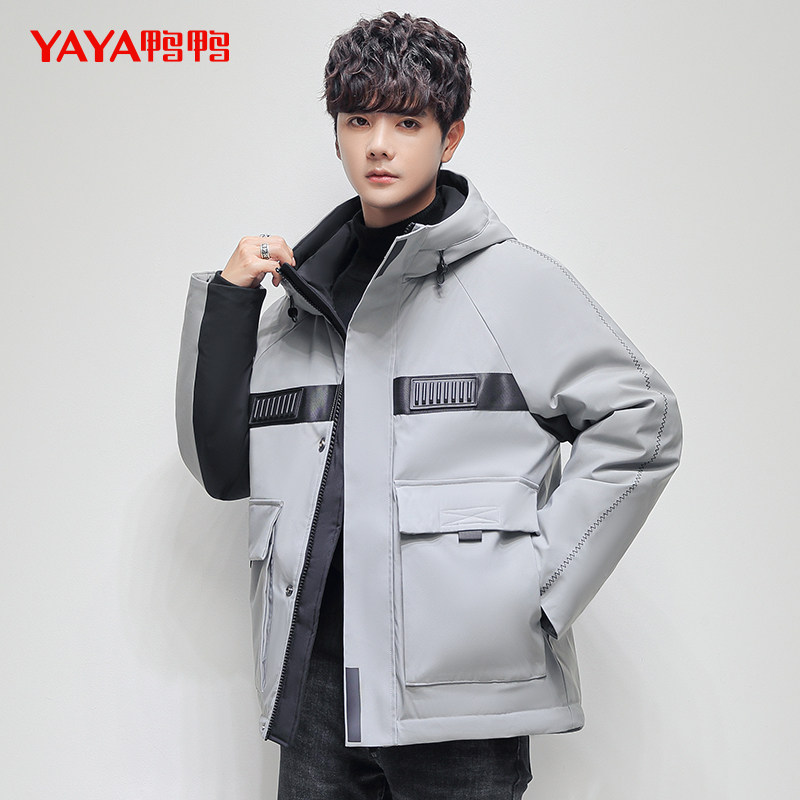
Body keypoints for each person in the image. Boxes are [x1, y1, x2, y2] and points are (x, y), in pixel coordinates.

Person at [176, 11, 682, 799]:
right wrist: (232, 304)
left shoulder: (512, 286)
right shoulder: (300, 304)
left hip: (460, 697)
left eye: (406, 122)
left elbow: (644, 422)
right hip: (317, 687)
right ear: (337, 134)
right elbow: (224, 469)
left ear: (451, 139)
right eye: (358, 121)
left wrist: (541, 587)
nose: (379, 144)